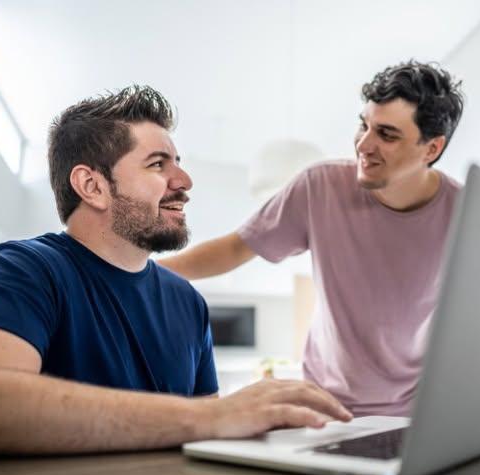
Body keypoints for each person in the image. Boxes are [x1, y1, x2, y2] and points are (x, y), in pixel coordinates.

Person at [0, 85, 351, 458]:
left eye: (177, 161)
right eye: (158, 164)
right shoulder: (25, 270)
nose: (184, 180)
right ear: (92, 186)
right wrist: (210, 416)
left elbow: (202, 434)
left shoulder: (188, 302)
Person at [160, 60, 464, 416]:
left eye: (387, 134)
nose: (364, 144)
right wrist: (146, 274)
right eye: (364, 125)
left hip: (417, 411)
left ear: (431, 148)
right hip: (326, 404)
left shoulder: (464, 213)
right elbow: (236, 247)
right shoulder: (320, 186)